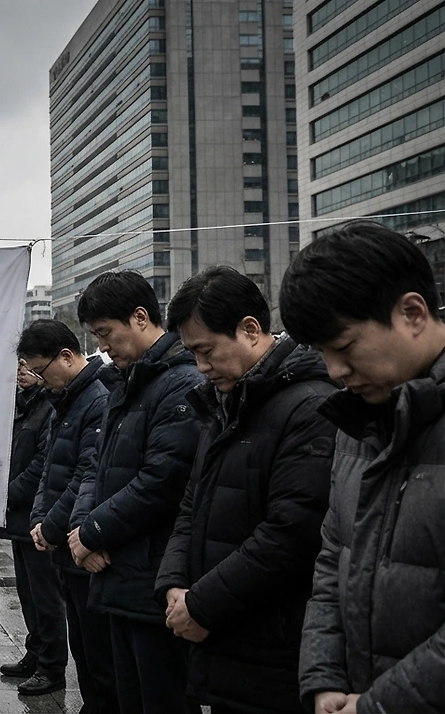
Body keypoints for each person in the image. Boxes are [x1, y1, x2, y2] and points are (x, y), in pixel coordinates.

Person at [281, 222, 445, 714]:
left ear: (412, 313)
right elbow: (334, 557)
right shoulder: (357, 421)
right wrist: (323, 677)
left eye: (346, 347)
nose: (335, 371)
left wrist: (378, 705)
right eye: (322, 354)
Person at [156, 267, 336, 714]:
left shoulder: (310, 406)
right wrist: (174, 583)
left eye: (207, 351)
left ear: (251, 330)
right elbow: (191, 504)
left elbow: (290, 533)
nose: (201, 366)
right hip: (224, 634)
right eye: (192, 353)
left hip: (273, 645)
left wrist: (202, 605)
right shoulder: (227, 402)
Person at [69, 271, 204, 714]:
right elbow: (96, 465)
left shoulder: (181, 383)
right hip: (120, 574)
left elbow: (162, 481)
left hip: (153, 577)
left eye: (105, 333)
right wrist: (83, 529)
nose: (102, 346)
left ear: (141, 318)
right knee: (129, 698)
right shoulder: (128, 384)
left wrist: (93, 532)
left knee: (161, 699)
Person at [23, 319, 119, 714]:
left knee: (98, 653)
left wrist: (51, 525)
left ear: (66, 356)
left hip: (82, 541)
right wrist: (40, 518)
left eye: (40, 370)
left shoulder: (96, 400)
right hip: (64, 539)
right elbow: (50, 469)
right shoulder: (65, 399)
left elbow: (86, 475)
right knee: (82, 646)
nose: (39, 380)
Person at [0, 356, 67, 695]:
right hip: (18, 517)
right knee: (27, 592)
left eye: (27, 367)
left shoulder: (50, 408)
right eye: (17, 367)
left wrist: (6, 494)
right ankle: (35, 653)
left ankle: (52, 667)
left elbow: (42, 465)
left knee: (46, 596)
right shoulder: (21, 407)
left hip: (37, 516)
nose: (21, 374)